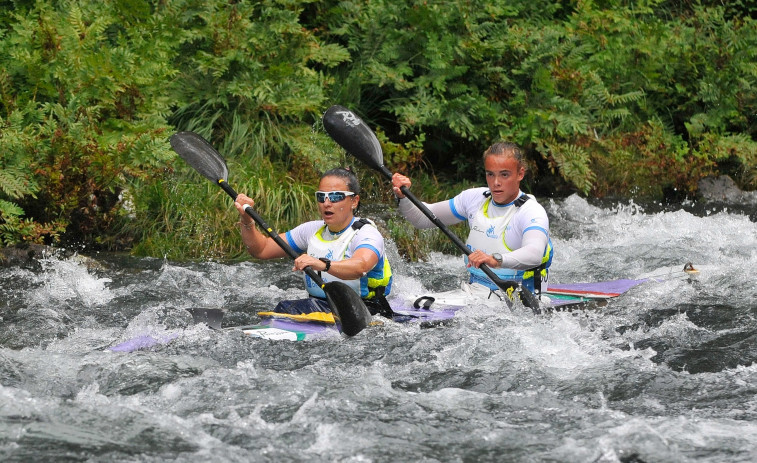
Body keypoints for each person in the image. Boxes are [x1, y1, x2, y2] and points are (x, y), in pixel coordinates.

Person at [391, 142, 553, 298]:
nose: (496, 183)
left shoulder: (531, 211)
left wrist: (495, 260)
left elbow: (534, 253)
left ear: (520, 174)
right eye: (490, 174)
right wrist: (403, 197)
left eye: (504, 175)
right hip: (476, 291)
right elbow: (421, 219)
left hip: (517, 296)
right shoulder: (474, 199)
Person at [234, 167, 393, 316]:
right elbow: (261, 249)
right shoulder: (311, 230)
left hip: (364, 310)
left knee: (287, 308)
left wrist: (322, 264)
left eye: (336, 196)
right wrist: (247, 220)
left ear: (354, 201)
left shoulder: (366, 233)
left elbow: (361, 266)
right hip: (320, 307)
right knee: (287, 307)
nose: (326, 203)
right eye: (321, 197)